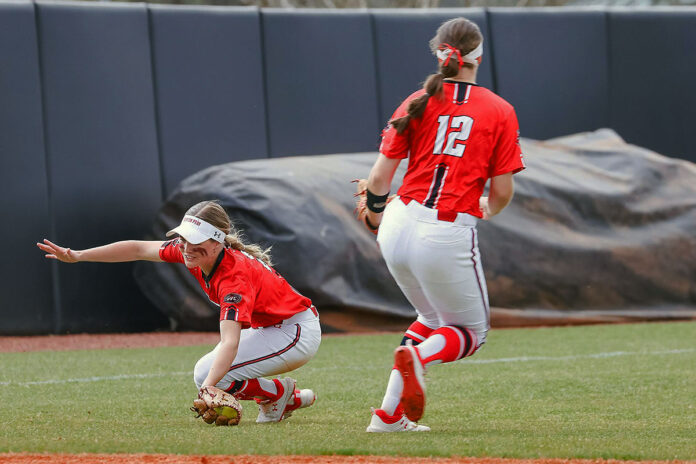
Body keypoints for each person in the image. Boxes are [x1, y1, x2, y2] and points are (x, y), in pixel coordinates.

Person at [356, 17, 525, 433]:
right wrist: (486, 207)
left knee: (430, 320)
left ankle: (388, 416)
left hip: (398, 221)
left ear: (440, 55)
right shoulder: (499, 110)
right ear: (479, 57)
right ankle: (422, 359)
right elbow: (502, 194)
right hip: (445, 228)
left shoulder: (418, 99)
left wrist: (378, 215)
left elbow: (378, 180)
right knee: (471, 331)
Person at [36, 200, 321, 425]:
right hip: (272, 327)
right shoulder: (193, 251)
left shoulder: (234, 277)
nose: (186, 247)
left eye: (194, 240)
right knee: (206, 374)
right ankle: (279, 395)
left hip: (294, 332)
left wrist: (207, 390)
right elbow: (137, 248)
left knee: (209, 376)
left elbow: (230, 343)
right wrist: (78, 255)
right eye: (183, 237)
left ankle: (279, 396)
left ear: (217, 242)